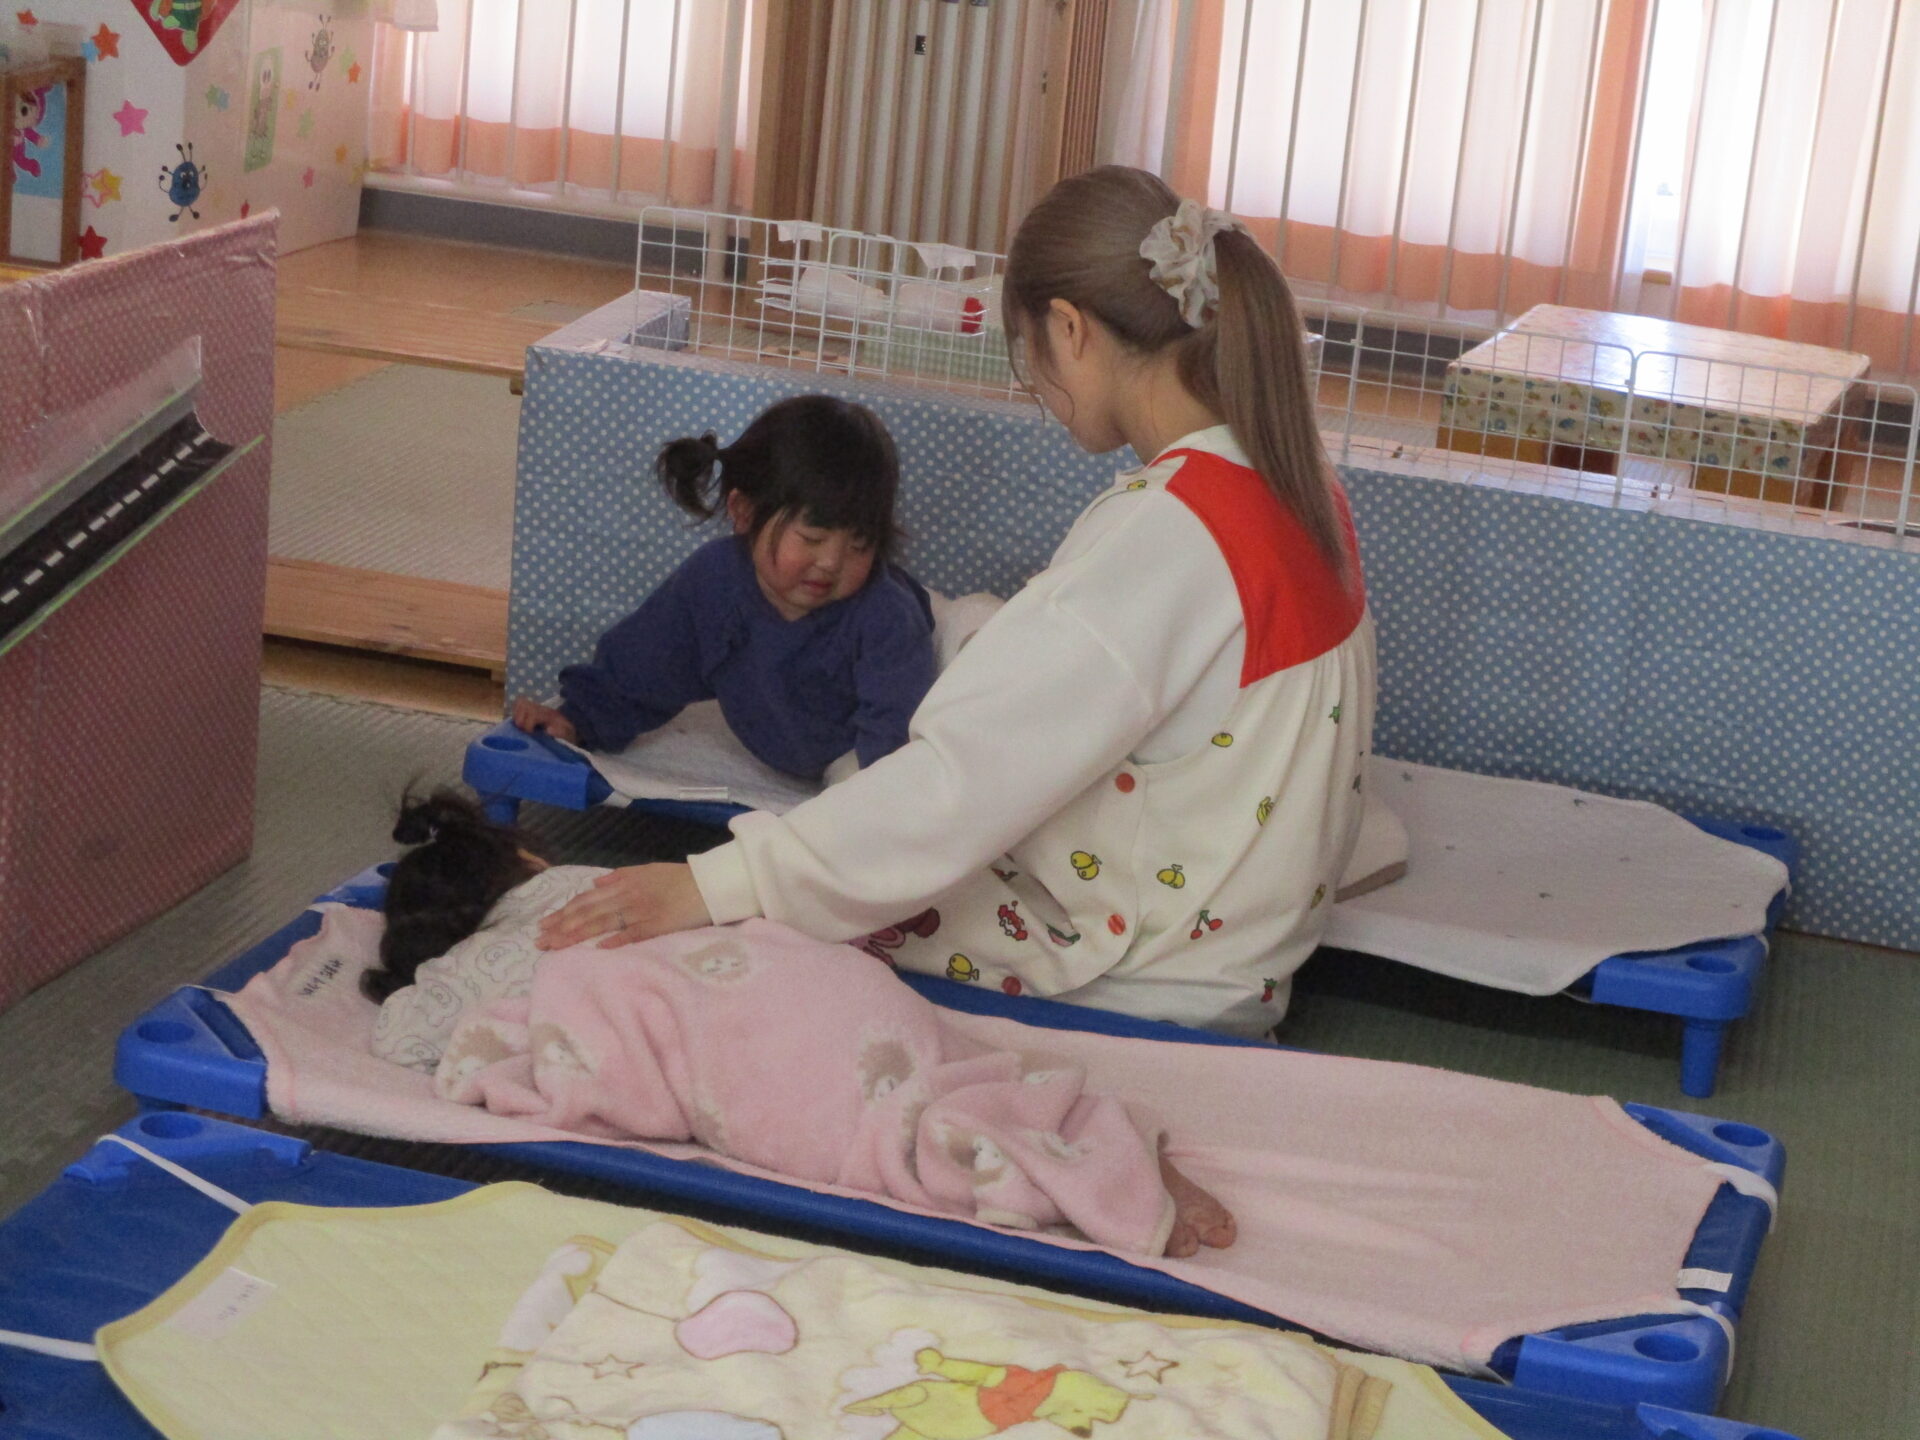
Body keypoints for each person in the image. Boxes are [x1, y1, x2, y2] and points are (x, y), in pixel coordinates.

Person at [536, 165, 1377, 1040]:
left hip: (1139, 968)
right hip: (1234, 946)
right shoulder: (1290, 477)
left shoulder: (1168, 533)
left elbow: (960, 781)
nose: (1038, 387)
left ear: (1070, 330)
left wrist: (710, 886)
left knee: (768, 930)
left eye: (1028, 353)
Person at [364, 789, 1236, 1259]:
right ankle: (1080, 1127)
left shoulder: (486, 956)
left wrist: (407, 974)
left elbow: (404, 1036)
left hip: (747, 1032)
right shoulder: (600, 882)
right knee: (931, 1069)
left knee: (889, 1127)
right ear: (526, 857)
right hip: (821, 982)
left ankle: (1087, 1173)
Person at [511, 394, 937, 783]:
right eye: (812, 538)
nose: (831, 561)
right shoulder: (715, 581)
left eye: (860, 543)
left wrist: (872, 800)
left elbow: (895, 737)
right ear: (744, 511)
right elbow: (646, 661)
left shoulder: (885, 616)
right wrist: (579, 720)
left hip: (854, 754)